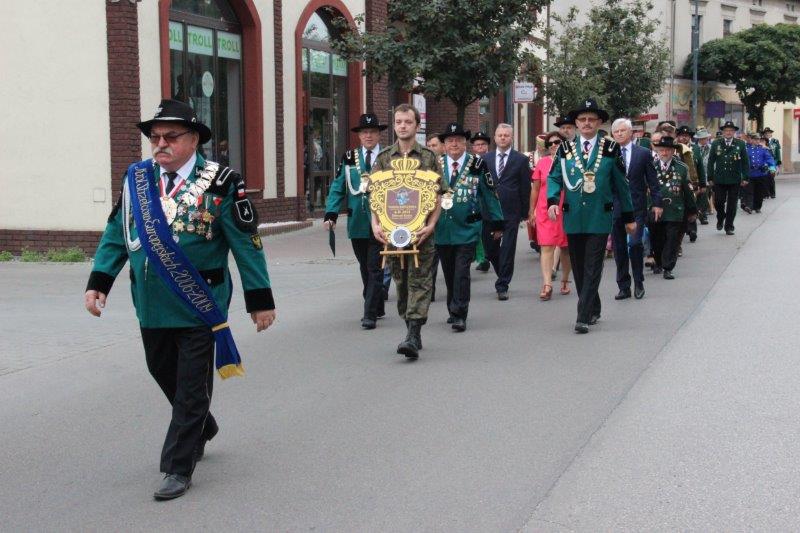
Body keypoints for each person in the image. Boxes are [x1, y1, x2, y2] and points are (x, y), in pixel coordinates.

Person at [84, 99, 276, 500]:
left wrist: (260, 299)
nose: (160, 145)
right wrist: (99, 281)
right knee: (161, 370)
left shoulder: (222, 181)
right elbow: (117, 232)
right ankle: (202, 424)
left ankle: (178, 464)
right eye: (155, 137)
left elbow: (247, 244)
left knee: (191, 386)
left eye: (170, 137)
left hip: (200, 302)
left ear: (194, 140)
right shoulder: (136, 178)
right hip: (151, 302)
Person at [547, 98, 636, 334]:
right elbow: (555, 177)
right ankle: (593, 306)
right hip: (573, 216)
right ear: (576, 123)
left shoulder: (610, 148)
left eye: (591, 119)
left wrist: (629, 217)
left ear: (599, 123)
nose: (586, 123)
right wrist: (553, 201)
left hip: (600, 216)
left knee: (593, 265)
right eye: (582, 119)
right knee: (578, 267)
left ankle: (583, 315)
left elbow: (621, 185)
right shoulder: (565, 149)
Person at [370, 104, 446, 359]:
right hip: (392, 236)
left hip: (421, 233)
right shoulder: (383, 159)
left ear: (417, 126)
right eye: (398, 122)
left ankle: (413, 334)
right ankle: (411, 327)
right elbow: (375, 198)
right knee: (401, 284)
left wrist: (432, 224)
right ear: (394, 125)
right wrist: (375, 225)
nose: (402, 126)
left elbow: (439, 195)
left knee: (421, 281)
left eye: (408, 122)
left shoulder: (428, 157)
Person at [434, 123, 504, 331]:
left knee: (462, 271)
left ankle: (460, 312)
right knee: (448, 271)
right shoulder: (435, 165)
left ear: (465, 143)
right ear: (444, 144)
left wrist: (498, 222)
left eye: (458, 139)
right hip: (442, 227)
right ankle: (452, 307)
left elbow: (489, 194)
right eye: (449, 140)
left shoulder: (477, 165)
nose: (454, 143)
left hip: (468, 227)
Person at [324, 113, 387, 329]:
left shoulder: (388, 158)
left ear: (379, 134)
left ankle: (369, 313)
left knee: (374, 267)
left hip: (382, 222)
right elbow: (338, 186)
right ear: (359, 136)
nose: (368, 136)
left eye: (372, 132)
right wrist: (331, 213)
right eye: (364, 132)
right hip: (358, 221)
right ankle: (377, 304)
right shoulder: (350, 157)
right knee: (364, 266)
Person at [610, 118, 663, 300]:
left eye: (622, 131)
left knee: (634, 244)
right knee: (619, 247)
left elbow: (653, 181)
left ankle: (638, 281)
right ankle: (623, 285)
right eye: (616, 132)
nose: (619, 134)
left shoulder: (643, 153)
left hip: (637, 206)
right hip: (615, 207)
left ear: (631, 132)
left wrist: (657, 203)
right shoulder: (608, 154)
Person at [481, 123, 532, 300]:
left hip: (511, 211)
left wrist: (525, 213)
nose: (503, 138)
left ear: (512, 138)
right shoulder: (484, 159)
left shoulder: (521, 160)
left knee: (508, 248)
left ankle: (502, 284)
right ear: (494, 138)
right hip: (489, 211)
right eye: (500, 135)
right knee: (490, 249)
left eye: (506, 135)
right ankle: (501, 269)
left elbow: (525, 187)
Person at [528, 131, 572, 300]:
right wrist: (531, 210)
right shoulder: (542, 163)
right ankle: (547, 284)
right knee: (546, 247)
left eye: (558, 142)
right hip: (545, 210)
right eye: (551, 143)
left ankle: (566, 279)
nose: (554, 145)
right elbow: (536, 189)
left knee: (566, 248)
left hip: (565, 209)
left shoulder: (570, 162)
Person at [648, 136, 698, 279]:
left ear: (673, 151)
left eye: (667, 150)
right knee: (656, 239)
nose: (664, 153)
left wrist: (692, 210)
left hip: (675, 210)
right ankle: (658, 261)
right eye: (661, 150)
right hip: (655, 210)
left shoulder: (681, 168)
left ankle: (668, 267)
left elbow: (688, 191)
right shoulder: (651, 166)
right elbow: (645, 188)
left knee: (672, 239)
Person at [707, 121, 749, 235]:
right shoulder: (716, 143)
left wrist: (745, 177)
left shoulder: (740, 144)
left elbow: (745, 162)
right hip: (719, 178)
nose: (728, 132)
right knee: (719, 202)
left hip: (734, 179)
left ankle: (729, 226)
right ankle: (720, 217)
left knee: (732, 204)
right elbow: (711, 161)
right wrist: (710, 177)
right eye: (726, 130)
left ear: (734, 132)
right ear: (723, 132)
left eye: (731, 130)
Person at [676, 125, 709, 227]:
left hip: (693, 182)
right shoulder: (675, 149)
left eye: (686, 136)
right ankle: (684, 227)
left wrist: (703, 184)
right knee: (682, 206)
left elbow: (700, 168)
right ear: (678, 137)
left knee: (692, 205)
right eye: (681, 136)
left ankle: (692, 229)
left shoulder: (695, 148)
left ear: (690, 137)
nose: (684, 138)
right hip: (678, 183)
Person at [426, 134, 445, 301]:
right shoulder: (425, 165)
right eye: (429, 145)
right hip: (427, 216)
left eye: (434, 145)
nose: (431, 148)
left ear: (442, 147)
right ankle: (429, 287)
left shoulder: (446, 165)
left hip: (445, 217)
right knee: (430, 256)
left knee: (441, 254)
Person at [470, 131, 492, 272]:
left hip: (489, 201)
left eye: (483, 144)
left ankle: (487, 257)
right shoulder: (470, 162)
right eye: (477, 144)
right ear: (473, 147)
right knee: (478, 231)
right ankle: (482, 258)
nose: (480, 147)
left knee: (488, 233)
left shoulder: (492, 160)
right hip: (475, 202)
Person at [743, 132, 776, 214]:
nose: (757, 141)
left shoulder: (763, 149)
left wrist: (772, 168)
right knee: (749, 191)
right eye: (755, 139)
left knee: (759, 192)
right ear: (751, 140)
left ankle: (757, 207)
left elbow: (770, 159)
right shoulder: (746, 150)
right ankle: (749, 207)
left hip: (761, 174)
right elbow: (743, 161)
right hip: (750, 173)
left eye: (758, 139)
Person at [694, 127, 714, 219]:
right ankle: (698, 211)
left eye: (705, 138)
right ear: (698, 139)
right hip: (696, 175)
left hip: (707, 175)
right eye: (702, 138)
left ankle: (703, 214)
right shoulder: (693, 148)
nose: (704, 140)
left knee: (705, 194)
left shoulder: (711, 148)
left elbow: (714, 162)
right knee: (697, 195)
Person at [762, 127, 781, 198]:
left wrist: (778, 164)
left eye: (769, 133)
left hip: (773, 162)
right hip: (764, 162)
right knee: (764, 178)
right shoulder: (762, 141)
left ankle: (772, 193)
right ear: (764, 134)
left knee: (771, 178)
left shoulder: (775, 141)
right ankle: (766, 193)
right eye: (766, 133)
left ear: (771, 134)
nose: (767, 134)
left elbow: (778, 153)